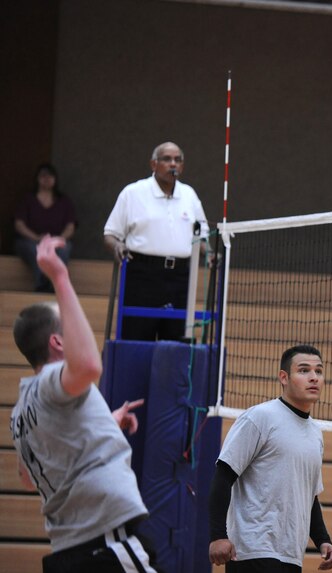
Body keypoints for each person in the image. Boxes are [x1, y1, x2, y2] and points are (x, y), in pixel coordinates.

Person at [11, 235, 158, 572]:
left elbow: (28, 478)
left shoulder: (20, 411)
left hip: (68, 550)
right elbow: (90, 365)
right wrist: (60, 277)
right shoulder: (52, 380)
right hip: (105, 541)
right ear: (58, 340)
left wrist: (103, 422)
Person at [208, 344, 332, 572]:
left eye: (318, 371)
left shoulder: (315, 433)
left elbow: (310, 496)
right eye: (304, 370)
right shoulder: (260, 417)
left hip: (291, 555)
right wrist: (218, 535)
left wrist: (322, 539)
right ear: (284, 377)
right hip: (252, 551)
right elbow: (223, 476)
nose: (313, 378)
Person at [103, 141, 210, 341]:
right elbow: (110, 234)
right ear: (153, 164)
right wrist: (117, 246)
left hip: (180, 277)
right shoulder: (132, 193)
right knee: (137, 337)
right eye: (167, 159)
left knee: (176, 342)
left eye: (178, 160)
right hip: (142, 275)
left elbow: (201, 237)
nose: (173, 164)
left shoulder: (189, 194)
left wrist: (211, 254)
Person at [14, 163, 77, 292]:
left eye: (50, 176)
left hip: (55, 241)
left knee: (65, 248)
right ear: (37, 178)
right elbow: (19, 224)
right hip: (31, 240)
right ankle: (42, 284)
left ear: (55, 179)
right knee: (32, 249)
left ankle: (59, 283)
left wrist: (59, 239)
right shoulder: (28, 199)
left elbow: (71, 226)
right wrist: (36, 238)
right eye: (43, 175)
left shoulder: (64, 201)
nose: (47, 179)